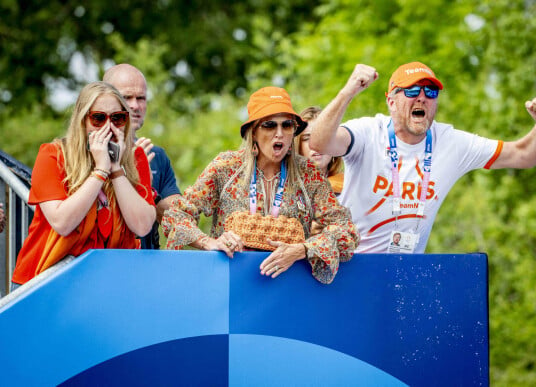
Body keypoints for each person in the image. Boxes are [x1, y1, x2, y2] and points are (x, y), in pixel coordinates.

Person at [310, 62, 536, 254]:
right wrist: (349, 90)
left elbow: (524, 155)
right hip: (351, 266)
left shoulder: (451, 142)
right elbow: (319, 142)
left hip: (406, 276)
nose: (422, 97)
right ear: (391, 101)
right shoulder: (368, 133)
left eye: (430, 91)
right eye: (412, 90)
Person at [162, 87, 359, 284]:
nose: (279, 133)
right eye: (270, 125)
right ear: (253, 131)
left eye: (287, 125)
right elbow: (176, 215)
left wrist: (303, 249)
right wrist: (209, 242)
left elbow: (346, 231)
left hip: (289, 285)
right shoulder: (226, 167)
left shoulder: (308, 174)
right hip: (229, 285)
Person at [11, 82, 156, 286]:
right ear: (82, 120)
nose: (109, 127)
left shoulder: (135, 157)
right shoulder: (53, 155)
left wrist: (116, 169)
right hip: (44, 280)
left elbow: (142, 226)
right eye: (98, 118)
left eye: (117, 118)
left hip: (104, 282)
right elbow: (62, 223)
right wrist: (100, 171)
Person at [103, 64, 181, 249]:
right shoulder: (86, 152)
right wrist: (125, 172)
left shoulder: (157, 155)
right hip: (102, 261)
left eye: (141, 98)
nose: (134, 105)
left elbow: (177, 218)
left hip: (146, 262)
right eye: (126, 97)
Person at [296, 106, 344, 195]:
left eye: (323, 137)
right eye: (307, 138)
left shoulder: (348, 186)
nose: (316, 144)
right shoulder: (282, 186)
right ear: (298, 146)